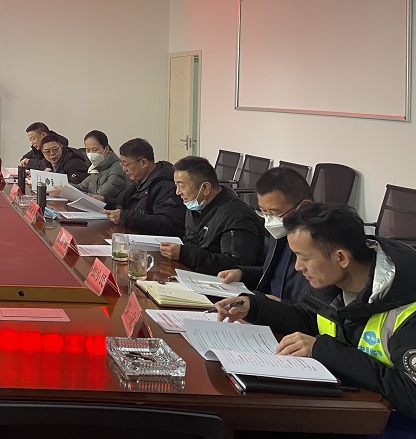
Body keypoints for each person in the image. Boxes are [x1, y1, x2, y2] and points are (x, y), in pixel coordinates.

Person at [216, 203, 416, 432]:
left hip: (390, 425)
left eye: (304, 258)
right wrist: (255, 307)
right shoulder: (334, 284)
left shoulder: (406, 306)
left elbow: (412, 396)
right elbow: (310, 318)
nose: (298, 267)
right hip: (352, 407)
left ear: (341, 257)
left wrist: (324, 350)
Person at [217, 167, 337, 304]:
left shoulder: (319, 244)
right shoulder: (280, 234)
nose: (270, 220)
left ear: (303, 207)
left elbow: (320, 307)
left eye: (275, 213)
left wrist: (279, 306)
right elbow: (274, 274)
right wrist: (242, 273)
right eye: (264, 212)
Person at [160, 155, 264, 275]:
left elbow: (235, 265)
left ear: (205, 188)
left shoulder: (237, 216)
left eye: (182, 186)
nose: (178, 192)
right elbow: (191, 243)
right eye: (176, 185)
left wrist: (185, 254)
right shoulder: (196, 204)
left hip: (219, 282)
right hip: (193, 273)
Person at [105, 138, 185, 236]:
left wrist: (126, 218)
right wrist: (103, 202)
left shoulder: (165, 186)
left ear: (143, 163)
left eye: (126, 164)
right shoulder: (139, 181)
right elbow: (120, 203)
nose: (124, 169)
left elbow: (168, 223)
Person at [51, 130, 129, 207]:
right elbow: (81, 187)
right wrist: (61, 186)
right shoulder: (96, 167)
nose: (91, 154)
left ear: (106, 149)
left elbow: (97, 198)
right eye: (88, 150)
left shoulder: (117, 169)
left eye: (95, 150)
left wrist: (67, 192)